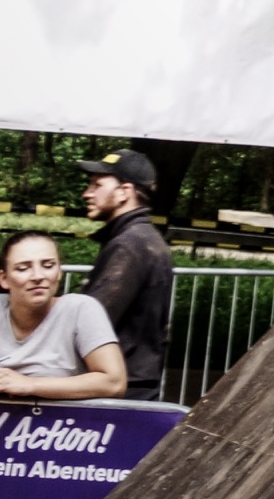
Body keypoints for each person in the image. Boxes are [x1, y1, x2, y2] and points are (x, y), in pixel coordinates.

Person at [76, 150, 172, 399]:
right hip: (131, 384)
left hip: (122, 390)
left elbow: (93, 319)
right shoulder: (139, 238)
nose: (87, 193)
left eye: (97, 185)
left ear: (124, 192)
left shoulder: (130, 245)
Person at [0, 232, 128, 401]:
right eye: (23, 268)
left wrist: (30, 384)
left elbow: (114, 382)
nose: (38, 276)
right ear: (4, 278)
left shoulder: (80, 309)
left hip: (63, 418)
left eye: (48, 266)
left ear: (59, 272)